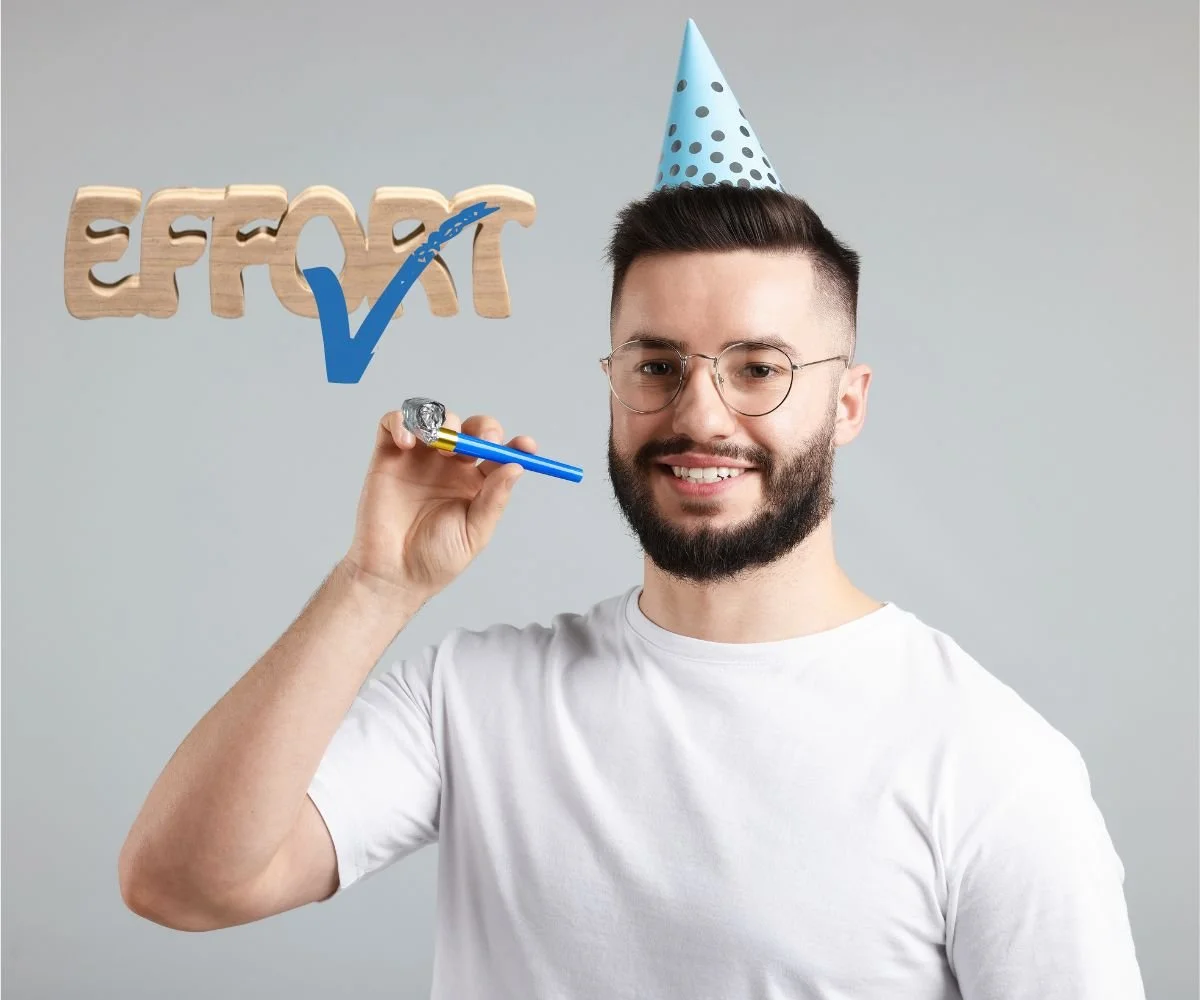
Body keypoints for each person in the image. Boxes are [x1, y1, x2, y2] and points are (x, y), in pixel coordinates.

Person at [117, 20, 1146, 1000]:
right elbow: (182, 883)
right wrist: (374, 586)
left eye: (759, 367)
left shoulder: (989, 761)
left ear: (847, 401)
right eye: (657, 364)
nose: (699, 415)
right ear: (613, 383)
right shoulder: (475, 700)